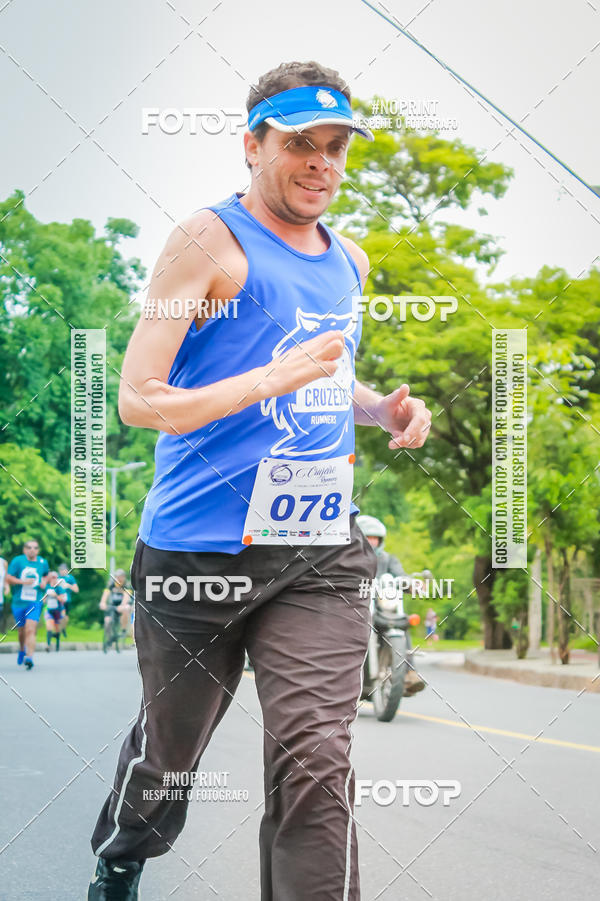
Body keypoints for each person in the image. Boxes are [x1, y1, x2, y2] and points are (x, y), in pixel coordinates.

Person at [88, 60, 431, 900]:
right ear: (252, 144)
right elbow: (140, 398)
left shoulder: (348, 259)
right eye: (300, 145)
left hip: (314, 550)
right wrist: (267, 384)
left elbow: (320, 376)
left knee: (316, 755)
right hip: (194, 553)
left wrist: (379, 411)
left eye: (337, 148)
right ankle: (125, 850)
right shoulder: (208, 240)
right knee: (171, 750)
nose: (322, 164)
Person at [356, 515, 426, 696]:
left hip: (381, 609)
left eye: (375, 538)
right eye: (368, 537)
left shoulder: (388, 559)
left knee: (402, 623)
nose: (372, 542)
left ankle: (409, 673)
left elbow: (400, 575)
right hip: (357, 609)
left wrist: (412, 584)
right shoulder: (351, 558)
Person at [5, 539, 50, 670]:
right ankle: (21, 649)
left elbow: (46, 576)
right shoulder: (18, 561)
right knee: (22, 632)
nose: (32, 550)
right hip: (18, 601)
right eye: (29, 547)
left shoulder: (42, 562)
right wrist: (22, 582)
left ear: (38, 550)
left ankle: (29, 657)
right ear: (25, 549)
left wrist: (43, 582)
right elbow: (8, 578)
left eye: (35, 548)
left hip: (35, 601)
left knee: (31, 629)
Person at [99, 570, 133, 637]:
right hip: (114, 604)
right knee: (107, 621)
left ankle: (123, 630)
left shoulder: (127, 584)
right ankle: (108, 638)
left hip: (125, 603)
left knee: (125, 609)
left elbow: (126, 596)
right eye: (117, 577)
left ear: (124, 577)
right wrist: (102, 602)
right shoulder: (111, 584)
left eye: (121, 577)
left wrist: (122, 605)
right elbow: (106, 593)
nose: (119, 579)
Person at [43, 572, 67, 651]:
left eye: (55, 577)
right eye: (52, 577)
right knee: (49, 627)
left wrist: (55, 595)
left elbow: (62, 599)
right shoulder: (46, 587)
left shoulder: (59, 588)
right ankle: (48, 645)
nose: (53, 579)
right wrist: (44, 599)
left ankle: (57, 643)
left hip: (58, 611)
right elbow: (43, 600)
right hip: (49, 610)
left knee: (57, 629)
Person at [57, 563, 79, 638]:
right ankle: (58, 630)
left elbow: (76, 590)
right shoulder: (56, 577)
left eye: (63, 570)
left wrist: (68, 585)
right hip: (57, 599)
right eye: (60, 570)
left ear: (66, 570)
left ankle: (63, 628)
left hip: (66, 600)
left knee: (65, 617)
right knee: (60, 615)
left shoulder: (70, 578)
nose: (62, 571)